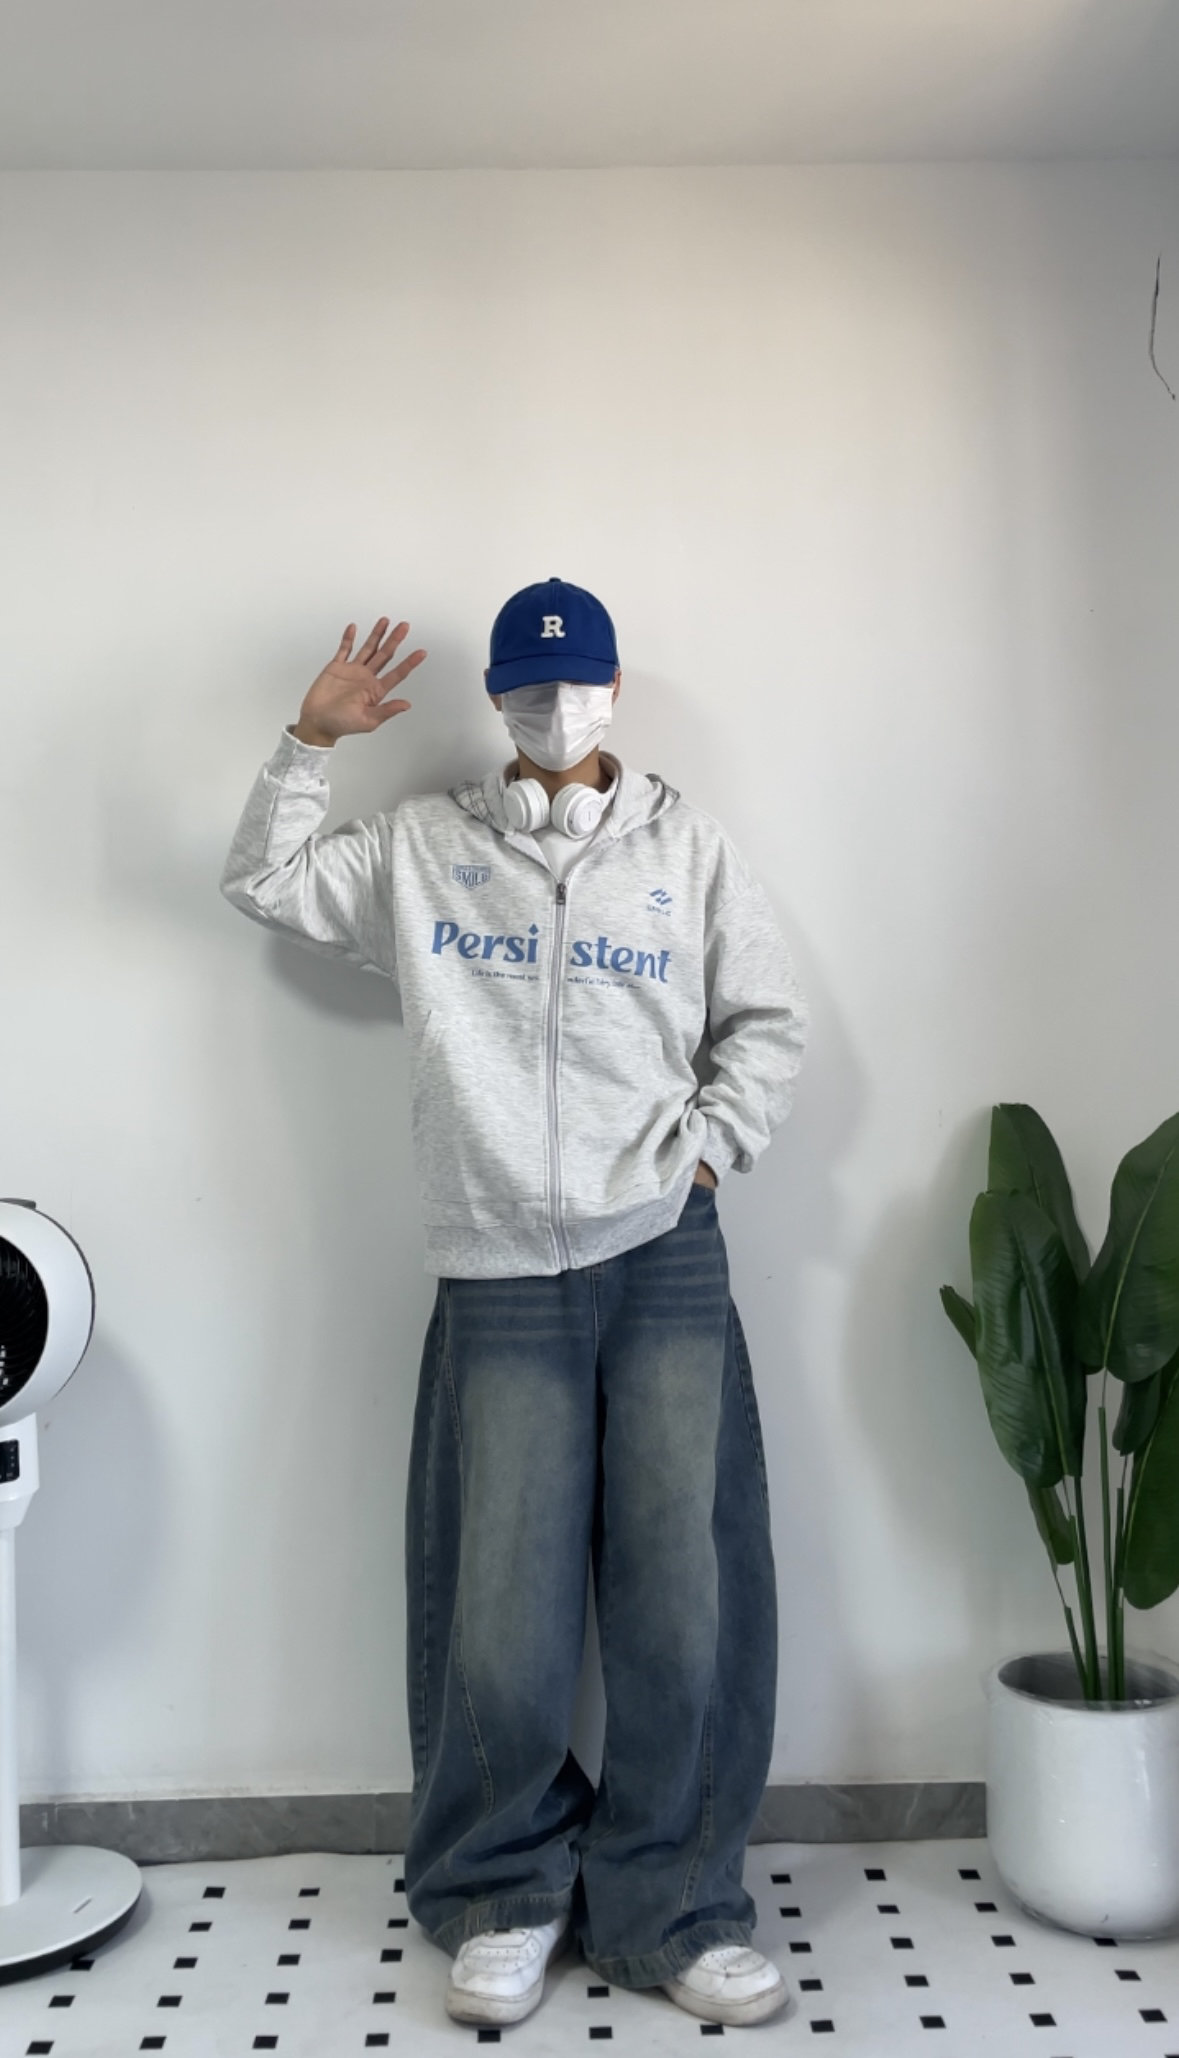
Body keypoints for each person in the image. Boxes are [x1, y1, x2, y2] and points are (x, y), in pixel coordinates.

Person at [220, 577, 810, 2031]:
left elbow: (767, 1021)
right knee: (501, 1604)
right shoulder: (425, 846)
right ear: (497, 698)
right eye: (531, 688)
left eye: (578, 683)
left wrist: (709, 1150)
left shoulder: (689, 849)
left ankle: (676, 1902)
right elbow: (266, 883)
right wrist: (309, 739)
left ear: (614, 689)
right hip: (496, 1264)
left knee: (684, 1592)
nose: (557, 710)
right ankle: (500, 1893)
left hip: (664, 1248)